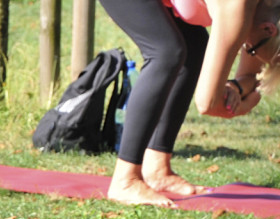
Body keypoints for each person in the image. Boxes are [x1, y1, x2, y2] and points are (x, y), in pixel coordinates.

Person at [98, 0, 280, 206]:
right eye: (254, 51)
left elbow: (249, 77)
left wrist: (237, 89)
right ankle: (125, 181)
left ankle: (157, 169)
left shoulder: (264, 9)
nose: (249, 52)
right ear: (268, 29)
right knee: (166, 52)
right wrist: (241, 103)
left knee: (194, 46)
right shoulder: (236, 7)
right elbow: (207, 103)